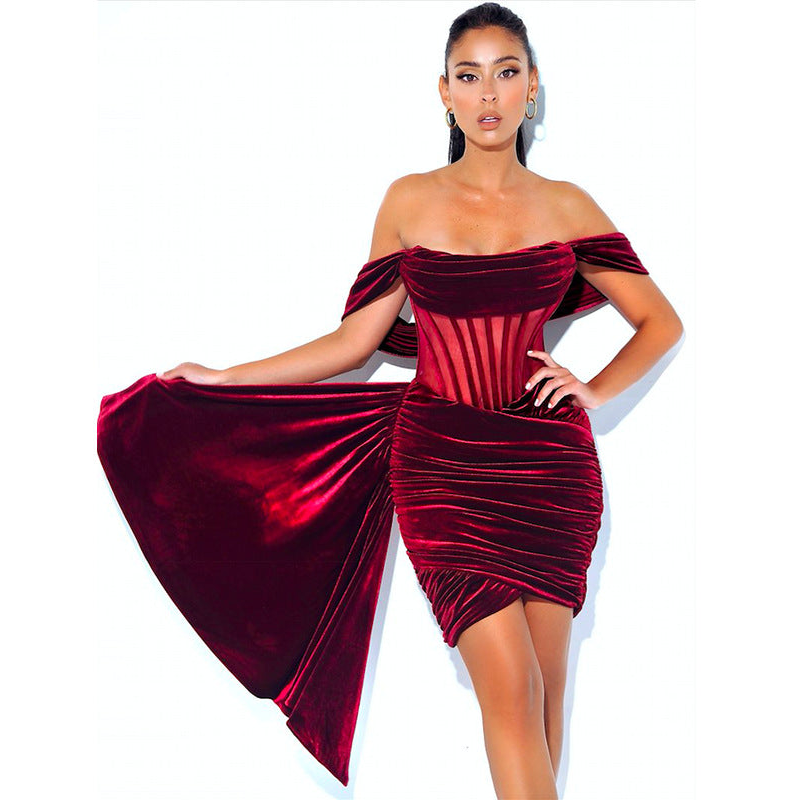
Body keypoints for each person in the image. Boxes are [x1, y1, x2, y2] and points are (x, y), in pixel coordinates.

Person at [98, 3, 683, 798]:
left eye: (506, 73)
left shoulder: (568, 205)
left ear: (532, 88)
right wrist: (228, 376)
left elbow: (660, 321)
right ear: (444, 92)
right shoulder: (409, 201)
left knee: (546, 702)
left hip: (549, 468)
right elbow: (355, 343)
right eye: (469, 76)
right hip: (442, 464)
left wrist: (595, 387)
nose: (488, 94)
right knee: (511, 692)